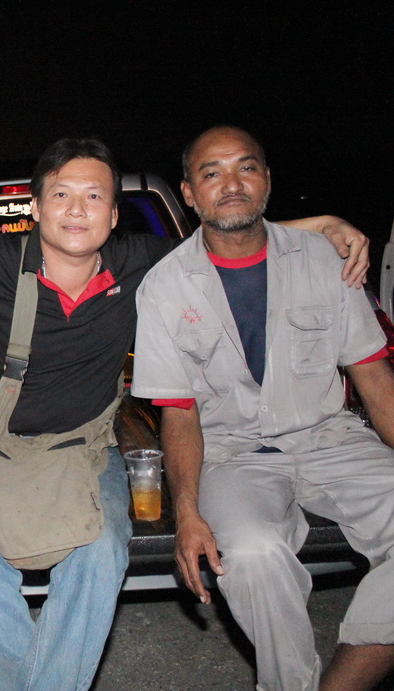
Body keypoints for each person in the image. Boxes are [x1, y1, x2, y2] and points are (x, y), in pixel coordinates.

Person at [0, 138, 370, 690]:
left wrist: (323, 225)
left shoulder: (141, 263)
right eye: (60, 195)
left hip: (86, 448)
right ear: (35, 208)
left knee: (101, 552)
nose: (77, 210)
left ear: (114, 215)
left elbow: (232, 233)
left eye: (94, 197)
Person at [132, 125, 394, 691]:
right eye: (212, 173)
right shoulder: (164, 286)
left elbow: (374, 378)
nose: (231, 184)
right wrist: (187, 513)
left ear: (268, 180)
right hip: (231, 455)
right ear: (189, 193)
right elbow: (179, 413)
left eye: (245, 168)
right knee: (250, 554)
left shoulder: (325, 259)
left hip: (331, 439)